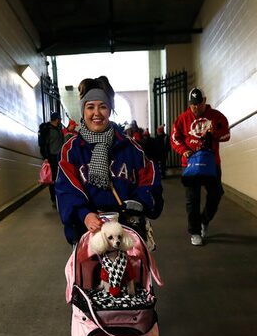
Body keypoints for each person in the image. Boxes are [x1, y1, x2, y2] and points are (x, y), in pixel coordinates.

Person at [55, 76, 163, 245]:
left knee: (134, 271)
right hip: (89, 231)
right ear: (83, 110)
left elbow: (150, 181)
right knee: (89, 272)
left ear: (110, 110)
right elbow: (65, 189)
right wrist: (84, 214)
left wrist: (139, 201)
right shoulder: (71, 150)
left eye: (103, 107)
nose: (96, 113)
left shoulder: (131, 148)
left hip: (126, 231)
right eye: (90, 107)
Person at [171, 87, 231, 246]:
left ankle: (205, 220)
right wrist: (184, 151)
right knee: (192, 199)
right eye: (192, 105)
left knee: (216, 194)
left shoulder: (216, 117)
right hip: (191, 165)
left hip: (211, 164)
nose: (195, 108)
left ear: (204, 101)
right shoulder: (182, 119)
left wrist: (213, 135)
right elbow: (174, 138)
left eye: (198, 104)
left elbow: (227, 134)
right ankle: (195, 232)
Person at [38, 111, 65, 207]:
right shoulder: (47, 130)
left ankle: (60, 197)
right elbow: (43, 144)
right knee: (52, 179)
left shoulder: (58, 129)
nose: (60, 121)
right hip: (51, 157)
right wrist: (45, 157)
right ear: (57, 119)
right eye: (60, 119)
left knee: (60, 178)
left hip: (60, 157)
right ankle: (54, 199)